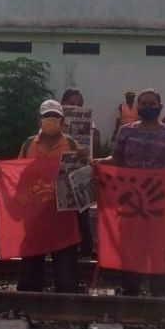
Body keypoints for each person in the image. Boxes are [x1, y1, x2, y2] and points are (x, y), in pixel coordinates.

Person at [98, 88, 165, 296]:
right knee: (131, 245)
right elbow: (116, 159)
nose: (147, 107)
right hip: (131, 201)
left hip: (159, 202)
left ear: (160, 106)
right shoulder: (126, 131)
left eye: (151, 103)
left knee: (160, 245)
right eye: (143, 103)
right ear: (137, 107)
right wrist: (98, 163)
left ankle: (159, 288)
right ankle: (130, 288)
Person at [15, 99, 82, 293]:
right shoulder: (29, 144)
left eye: (55, 117)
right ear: (39, 120)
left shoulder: (71, 143)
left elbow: (80, 176)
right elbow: (19, 174)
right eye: (47, 116)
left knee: (66, 267)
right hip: (35, 215)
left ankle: (67, 306)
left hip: (63, 215)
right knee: (31, 265)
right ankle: (28, 303)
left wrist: (86, 159)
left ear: (62, 120)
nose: (51, 120)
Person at [60, 87, 99, 259]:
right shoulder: (54, 122)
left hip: (81, 173)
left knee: (82, 213)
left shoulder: (91, 124)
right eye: (71, 103)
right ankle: (64, 251)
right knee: (64, 214)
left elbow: (94, 153)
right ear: (63, 104)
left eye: (79, 104)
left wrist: (95, 140)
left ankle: (85, 252)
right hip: (60, 174)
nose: (76, 106)